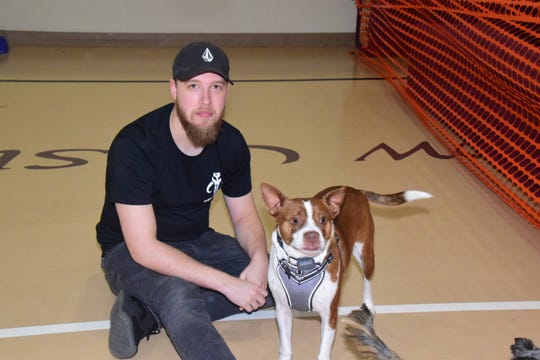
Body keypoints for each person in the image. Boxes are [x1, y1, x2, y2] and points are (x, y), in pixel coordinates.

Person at [96, 41, 273, 359]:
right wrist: (225, 283)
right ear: (174, 89)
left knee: (280, 278)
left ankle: (143, 317)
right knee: (179, 295)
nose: (206, 100)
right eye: (194, 86)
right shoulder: (134, 146)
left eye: (216, 86)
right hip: (129, 251)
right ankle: (167, 305)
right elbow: (144, 248)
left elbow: (245, 217)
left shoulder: (231, 143)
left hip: (197, 239)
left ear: (227, 92)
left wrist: (260, 259)